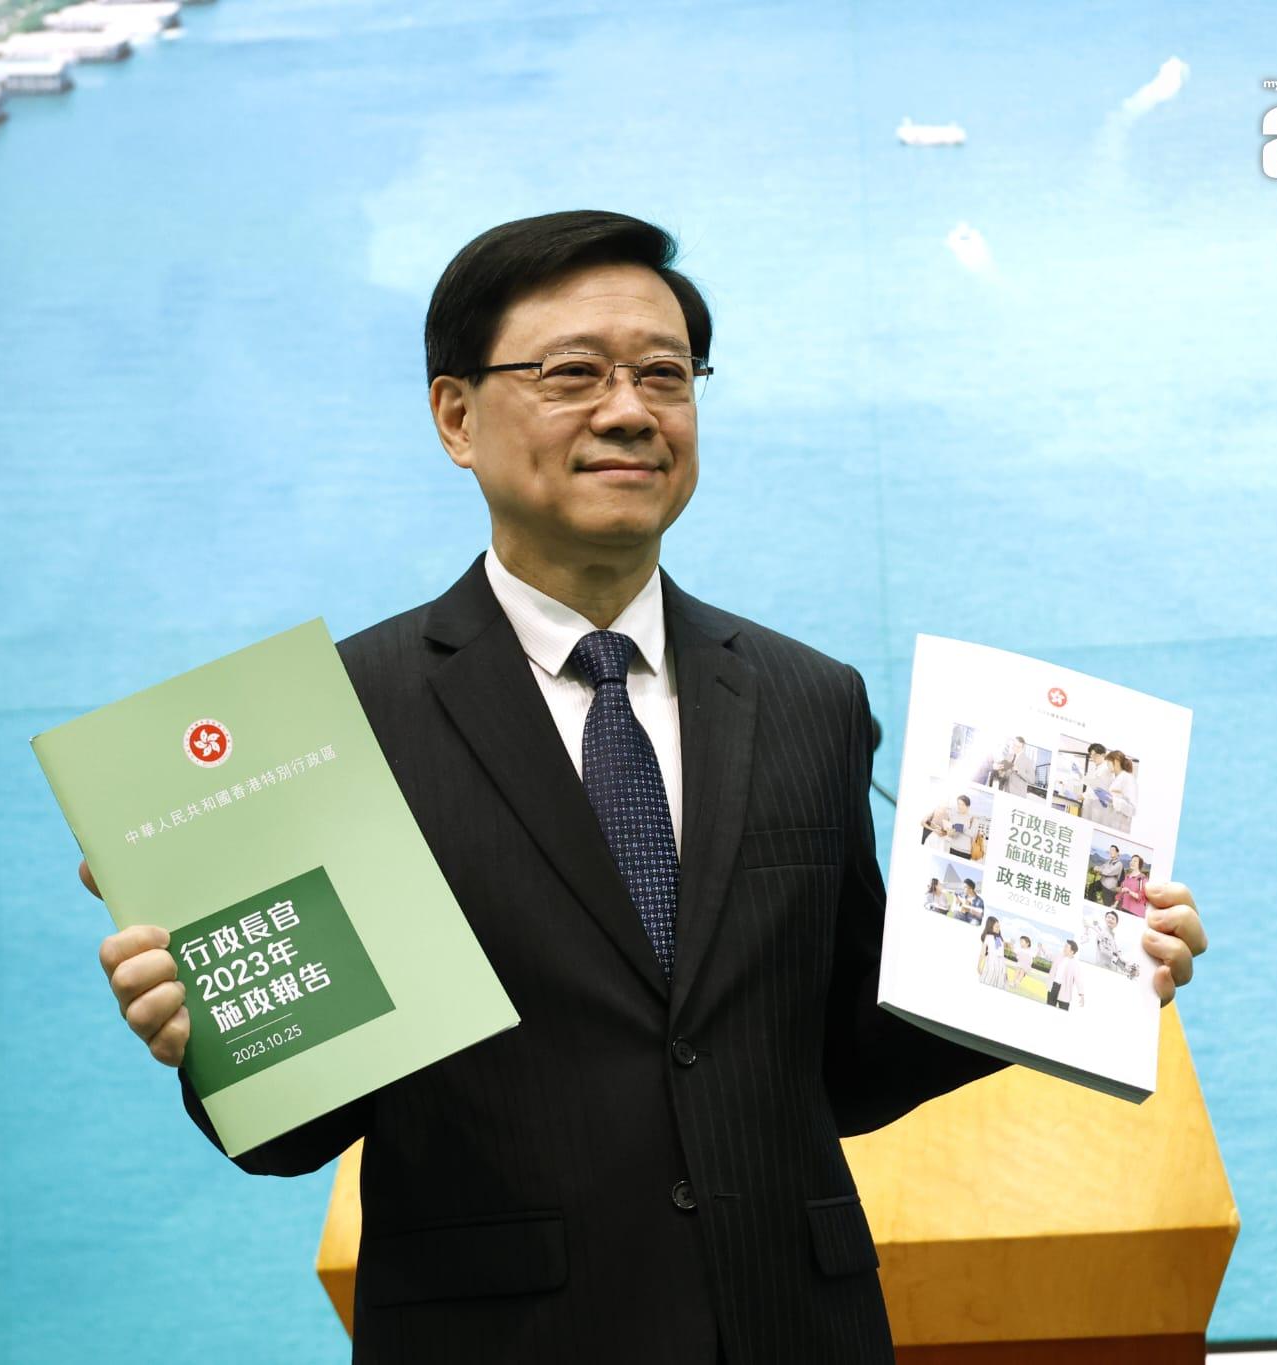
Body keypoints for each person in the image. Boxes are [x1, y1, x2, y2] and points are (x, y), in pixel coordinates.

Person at [86, 210, 1210, 1365]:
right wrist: (209, 1039)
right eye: (571, 373)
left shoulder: (809, 699)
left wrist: (1072, 967)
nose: (628, 410)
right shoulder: (335, 724)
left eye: (664, 376)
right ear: (455, 417)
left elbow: (839, 1068)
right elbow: (294, 1130)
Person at [1047, 939, 1084, 1011]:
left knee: (1063, 1009)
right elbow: (1049, 955)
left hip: (1065, 991)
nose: (1064, 948)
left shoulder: (1075, 964)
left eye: (1066, 947)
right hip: (1053, 987)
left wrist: (1081, 994)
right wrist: (1043, 948)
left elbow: (1078, 980)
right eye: (1064, 946)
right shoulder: (1059, 956)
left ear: (1072, 951)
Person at [978, 915, 1009, 990]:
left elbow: (1000, 951)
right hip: (991, 963)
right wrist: (979, 966)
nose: (998, 928)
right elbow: (982, 953)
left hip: (1001, 965)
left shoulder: (999, 938)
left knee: (999, 984)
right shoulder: (988, 937)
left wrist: (1005, 971)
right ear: (990, 927)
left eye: (999, 926)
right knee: (988, 981)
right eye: (996, 926)